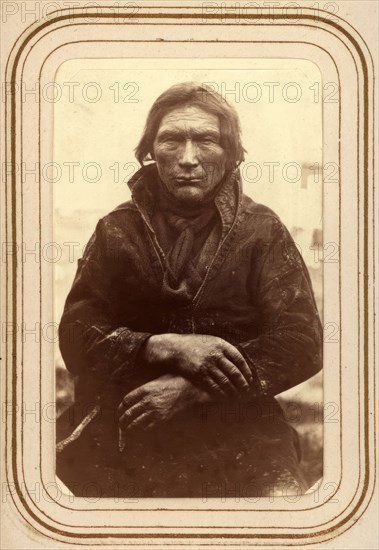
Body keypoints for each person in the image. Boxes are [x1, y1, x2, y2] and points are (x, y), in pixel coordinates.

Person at [57, 82, 322, 499]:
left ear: (232, 154)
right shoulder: (116, 230)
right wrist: (160, 346)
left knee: (281, 515)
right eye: (171, 140)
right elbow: (76, 333)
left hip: (239, 428)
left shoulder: (262, 232)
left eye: (206, 140)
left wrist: (195, 389)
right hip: (125, 422)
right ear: (150, 149)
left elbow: (302, 341)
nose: (187, 159)